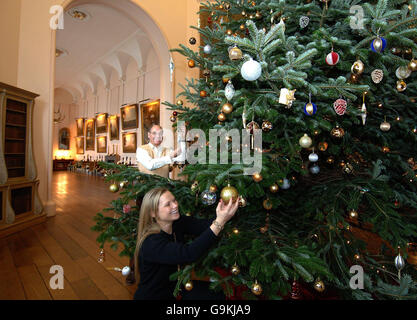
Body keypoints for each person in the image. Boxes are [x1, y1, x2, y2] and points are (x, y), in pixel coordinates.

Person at [133, 187, 239, 300]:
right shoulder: (151, 242)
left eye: (174, 200)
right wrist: (220, 222)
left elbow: (204, 226)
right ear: (153, 213)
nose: (175, 205)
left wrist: (224, 213)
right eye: (168, 204)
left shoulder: (177, 223)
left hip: (175, 289)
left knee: (218, 293)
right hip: (155, 297)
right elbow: (189, 253)